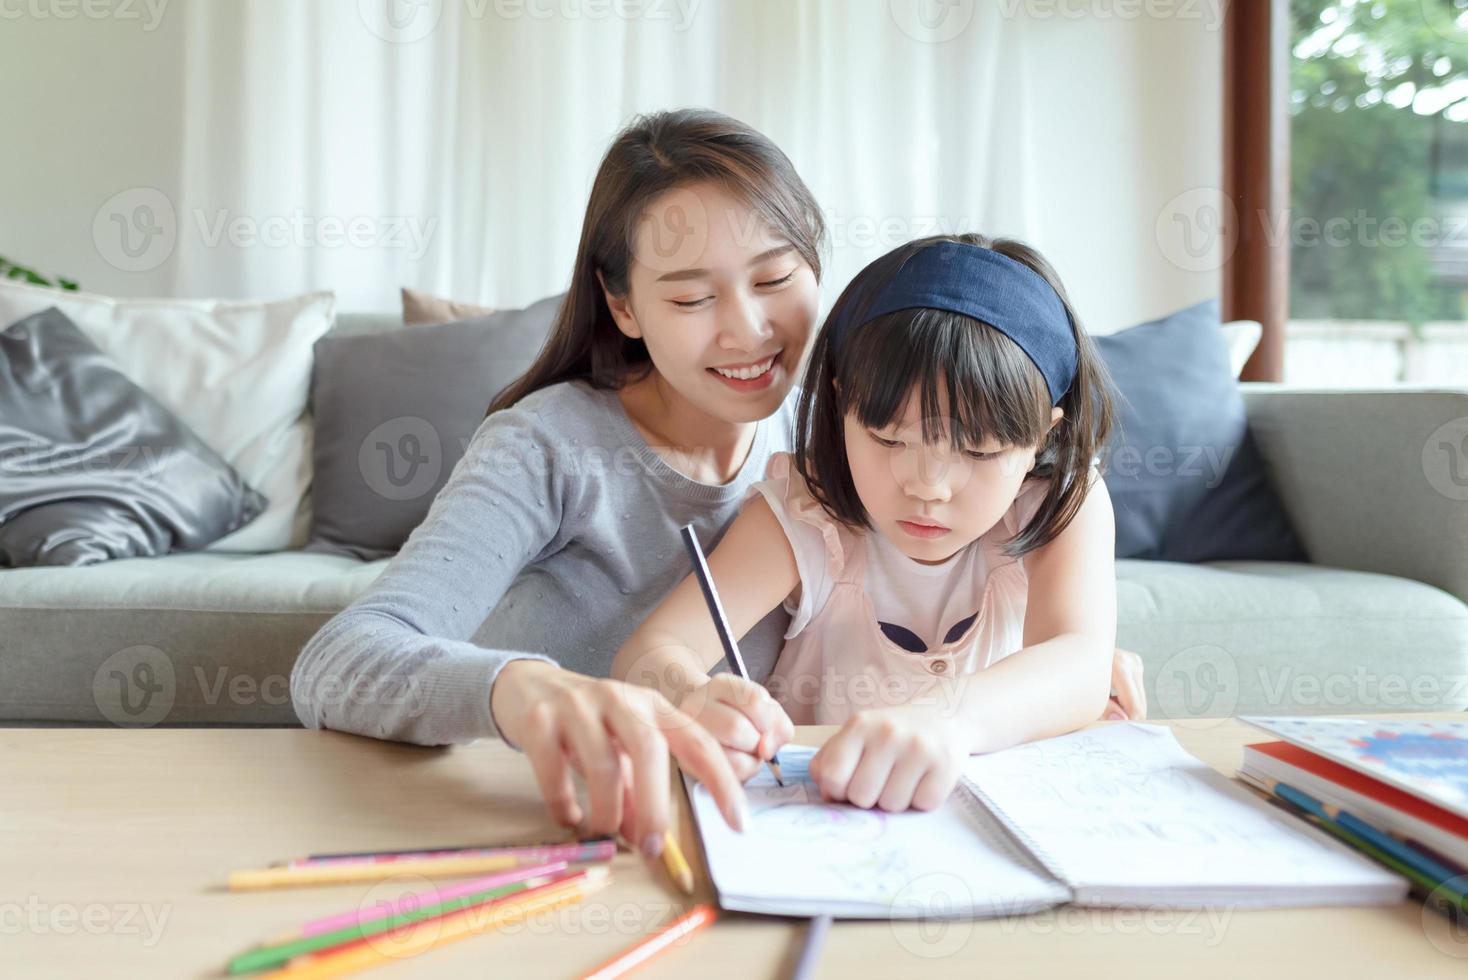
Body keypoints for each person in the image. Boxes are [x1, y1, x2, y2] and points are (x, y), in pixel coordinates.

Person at [613, 233, 1122, 814]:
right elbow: (649, 652)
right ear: (841, 403)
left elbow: (1080, 661)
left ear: (1043, 437)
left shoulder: (1059, 502)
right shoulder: (806, 515)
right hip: (817, 825)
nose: (927, 485)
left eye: (978, 452)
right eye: (888, 437)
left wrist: (943, 720)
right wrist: (692, 696)